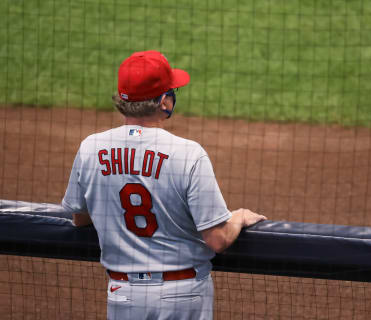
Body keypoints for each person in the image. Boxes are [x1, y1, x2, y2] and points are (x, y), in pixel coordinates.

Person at [61, 50, 267, 320]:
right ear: (164, 102)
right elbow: (217, 239)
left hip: (122, 295)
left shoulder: (91, 148)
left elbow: (80, 219)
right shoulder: (188, 154)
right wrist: (238, 218)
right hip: (182, 297)